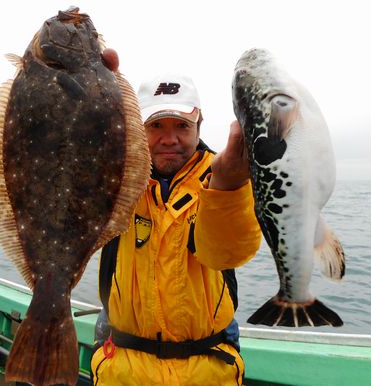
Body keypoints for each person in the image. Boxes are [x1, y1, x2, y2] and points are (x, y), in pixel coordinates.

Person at [90, 73, 262, 385]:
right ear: (137, 129)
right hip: (124, 369)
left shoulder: (224, 174)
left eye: (182, 126)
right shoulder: (111, 176)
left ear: (199, 126)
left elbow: (227, 253)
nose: (170, 139)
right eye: (156, 126)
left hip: (209, 368)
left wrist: (228, 187)